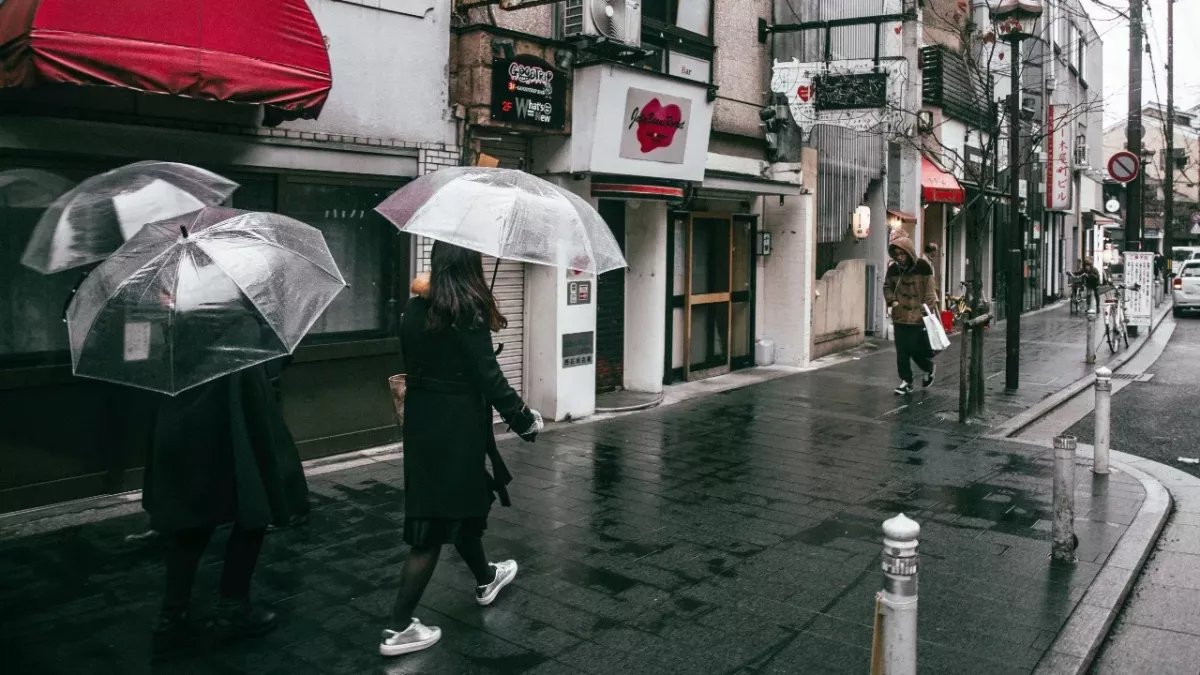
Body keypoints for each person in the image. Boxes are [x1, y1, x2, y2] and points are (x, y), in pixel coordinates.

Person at [381, 241, 542, 658]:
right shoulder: (467, 312)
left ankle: (486, 576)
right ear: (470, 264)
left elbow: (432, 362)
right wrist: (523, 418)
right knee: (431, 526)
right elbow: (489, 377)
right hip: (456, 427)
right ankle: (398, 628)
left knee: (462, 501)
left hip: (423, 423)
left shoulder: (415, 310)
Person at [146, 360, 308, 657]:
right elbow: (269, 363)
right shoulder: (238, 320)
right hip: (236, 412)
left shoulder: (181, 320)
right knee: (254, 505)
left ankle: (172, 615)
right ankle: (232, 607)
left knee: (192, 517)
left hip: (185, 416)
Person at [884, 235, 939, 395]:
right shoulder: (894, 269)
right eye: (897, 254)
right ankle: (906, 381)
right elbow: (887, 286)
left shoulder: (923, 267)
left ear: (908, 253)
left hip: (918, 316)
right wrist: (892, 301)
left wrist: (926, 311)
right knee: (901, 350)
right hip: (900, 316)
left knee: (914, 349)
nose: (899, 258)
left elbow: (930, 292)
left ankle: (928, 367)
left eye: (902, 254)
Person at [923, 242, 943, 310]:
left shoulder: (929, 260)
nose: (937, 253)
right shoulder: (924, 260)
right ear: (932, 251)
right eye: (936, 251)